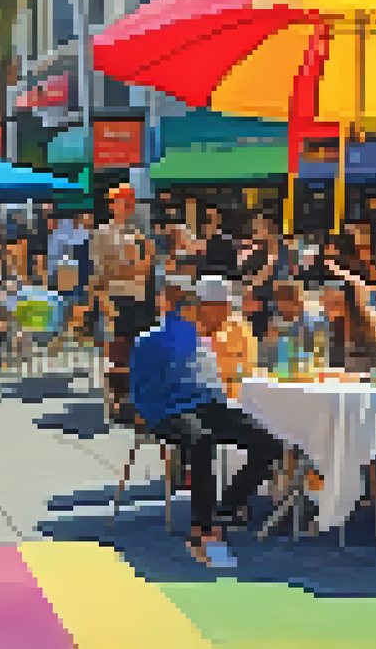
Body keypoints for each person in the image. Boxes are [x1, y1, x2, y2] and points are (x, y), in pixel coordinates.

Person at [128, 277, 285, 568]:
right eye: (222, 310)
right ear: (203, 307)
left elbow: (212, 389)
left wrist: (228, 410)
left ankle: (223, 512)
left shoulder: (202, 339)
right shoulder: (153, 340)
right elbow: (144, 394)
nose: (227, 317)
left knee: (270, 443)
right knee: (201, 440)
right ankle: (202, 527)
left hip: (206, 406)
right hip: (167, 411)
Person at [93, 185, 154, 425]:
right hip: (116, 299)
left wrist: (137, 266)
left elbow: (147, 269)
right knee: (118, 355)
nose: (128, 205)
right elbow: (104, 271)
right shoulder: (103, 233)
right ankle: (117, 402)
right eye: (122, 201)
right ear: (113, 205)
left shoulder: (138, 233)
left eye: (130, 201)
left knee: (139, 352)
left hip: (141, 299)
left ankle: (135, 400)